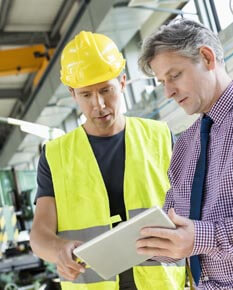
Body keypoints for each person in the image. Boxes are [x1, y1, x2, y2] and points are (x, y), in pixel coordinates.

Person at [30, 31, 185, 289]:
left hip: (162, 283)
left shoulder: (160, 136)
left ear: (122, 82)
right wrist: (59, 250)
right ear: (72, 94)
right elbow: (39, 234)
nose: (99, 105)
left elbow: (191, 209)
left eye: (106, 90)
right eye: (86, 95)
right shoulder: (54, 155)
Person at [137, 18, 233, 289]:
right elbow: (178, 228)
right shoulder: (184, 146)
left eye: (175, 75)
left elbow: (196, 236)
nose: (168, 92)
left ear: (207, 57)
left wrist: (202, 237)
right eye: (162, 82)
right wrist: (136, 245)